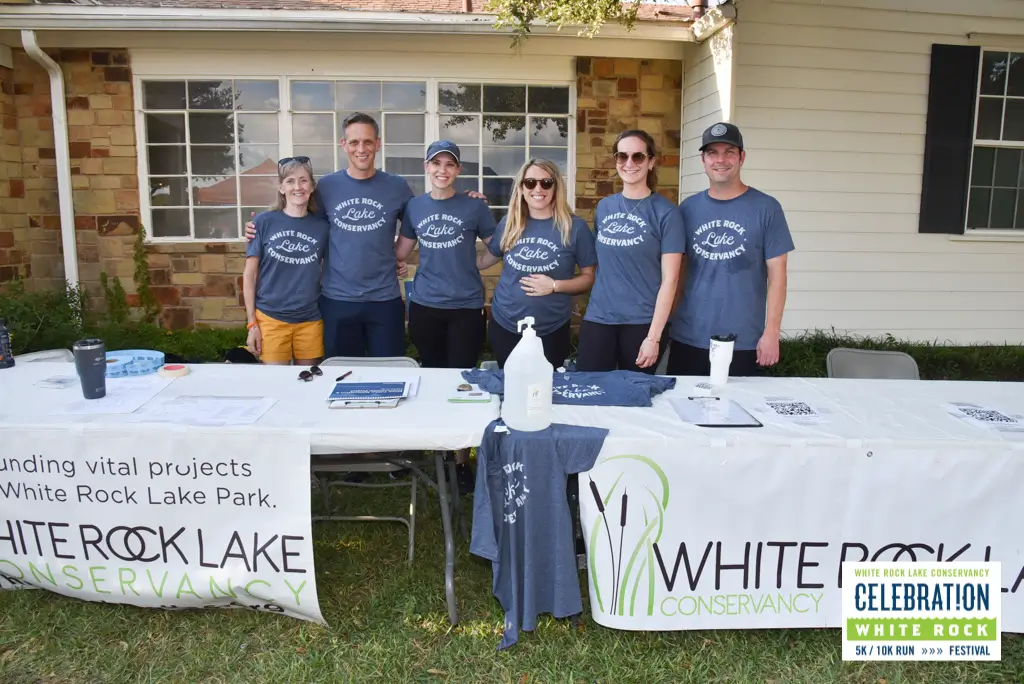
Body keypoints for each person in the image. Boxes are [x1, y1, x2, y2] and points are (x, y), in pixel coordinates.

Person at [667, 122, 795, 377]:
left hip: (744, 340)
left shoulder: (766, 208)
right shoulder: (687, 209)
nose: (720, 160)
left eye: (729, 152)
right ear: (703, 160)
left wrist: (771, 333)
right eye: (712, 153)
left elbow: (778, 278)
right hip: (689, 337)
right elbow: (677, 277)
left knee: (740, 413)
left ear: (742, 157)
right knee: (683, 413)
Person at [575, 130, 684, 374]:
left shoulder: (667, 213)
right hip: (599, 318)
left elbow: (671, 280)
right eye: (622, 156)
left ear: (651, 161)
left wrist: (653, 337)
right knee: (588, 391)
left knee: (635, 398)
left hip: (642, 323)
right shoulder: (604, 207)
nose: (629, 163)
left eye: (638, 156)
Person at [477, 159, 597, 369]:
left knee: (546, 391)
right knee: (510, 387)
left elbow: (589, 278)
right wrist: (468, 211)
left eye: (546, 182)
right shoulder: (510, 223)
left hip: (551, 328)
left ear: (556, 187)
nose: (538, 188)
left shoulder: (573, 227)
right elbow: (485, 259)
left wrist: (554, 285)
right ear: (522, 188)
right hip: (506, 324)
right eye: (530, 182)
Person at [395, 140, 496, 370]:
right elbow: (401, 250)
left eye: (450, 164)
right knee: (432, 371)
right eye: (436, 163)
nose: (443, 170)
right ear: (426, 167)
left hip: (466, 307)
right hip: (425, 306)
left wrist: (478, 264)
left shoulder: (474, 205)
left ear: (458, 170)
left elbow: (497, 246)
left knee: (462, 374)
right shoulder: (415, 206)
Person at [242, 157, 329, 365]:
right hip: (271, 318)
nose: (297, 187)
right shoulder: (263, 222)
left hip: (310, 318)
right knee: (275, 385)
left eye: (303, 180)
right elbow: (249, 275)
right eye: (290, 181)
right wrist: (252, 323)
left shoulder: (323, 226)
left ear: (312, 186)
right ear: (281, 187)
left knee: (309, 382)